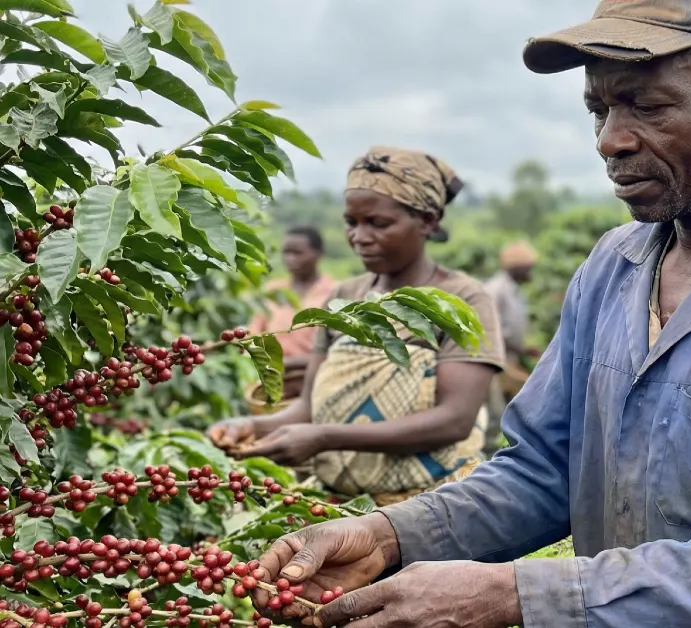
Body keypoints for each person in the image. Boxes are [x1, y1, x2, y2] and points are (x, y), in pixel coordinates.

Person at [249, 1, 691, 626]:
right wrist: (387, 534)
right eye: (598, 110)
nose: (610, 139)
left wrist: (508, 593)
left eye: (648, 107)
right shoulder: (614, 268)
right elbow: (545, 470)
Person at [207, 146, 507, 506]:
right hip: (339, 505)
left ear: (427, 222)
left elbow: (453, 420)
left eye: (378, 224)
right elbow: (309, 407)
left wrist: (323, 438)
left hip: (430, 504)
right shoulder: (344, 297)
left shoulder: (463, 300)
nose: (360, 237)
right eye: (351, 223)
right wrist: (251, 428)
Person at [246, 226, 337, 400]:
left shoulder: (334, 293)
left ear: (318, 254)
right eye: (286, 253)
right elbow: (253, 335)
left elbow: (336, 350)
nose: (290, 259)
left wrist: (288, 363)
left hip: (317, 384)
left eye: (298, 253)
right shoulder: (272, 291)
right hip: (272, 385)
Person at [481, 241, 538, 457]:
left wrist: (523, 349)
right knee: (495, 414)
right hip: (494, 360)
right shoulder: (496, 290)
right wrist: (517, 349)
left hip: (509, 358)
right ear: (516, 268)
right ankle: (489, 458)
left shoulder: (514, 291)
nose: (530, 273)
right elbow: (490, 328)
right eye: (527, 268)